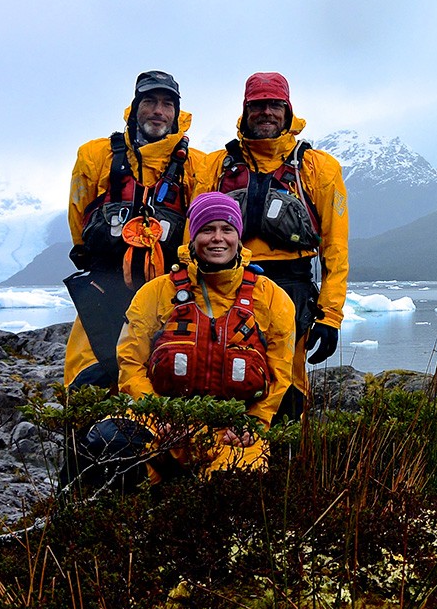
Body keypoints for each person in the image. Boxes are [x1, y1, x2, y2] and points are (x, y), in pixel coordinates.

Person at [106, 192, 296, 481]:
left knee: (237, 478)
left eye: (227, 229)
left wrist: (254, 423)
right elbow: (130, 363)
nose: (217, 238)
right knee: (106, 441)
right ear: (193, 236)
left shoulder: (271, 298)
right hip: (163, 424)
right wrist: (156, 412)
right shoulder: (156, 293)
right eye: (207, 229)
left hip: (234, 433)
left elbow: (281, 373)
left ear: (238, 237)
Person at [196, 72, 348, 420]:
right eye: (258, 105)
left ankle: (286, 465)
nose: (266, 113)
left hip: (291, 288)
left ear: (288, 110)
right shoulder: (216, 166)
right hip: (225, 286)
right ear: (246, 110)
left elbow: (335, 248)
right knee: (223, 379)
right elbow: (196, 236)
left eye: (275, 105)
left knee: (286, 384)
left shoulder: (317, 168)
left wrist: (330, 315)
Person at [64, 71, 203, 388]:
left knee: (158, 380)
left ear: (177, 114)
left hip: (166, 293)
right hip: (103, 287)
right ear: (135, 106)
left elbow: (196, 231)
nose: (159, 110)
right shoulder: (95, 155)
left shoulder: (196, 165)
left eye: (168, 104)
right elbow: (78, 215)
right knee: (87, 379)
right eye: (150, 101)